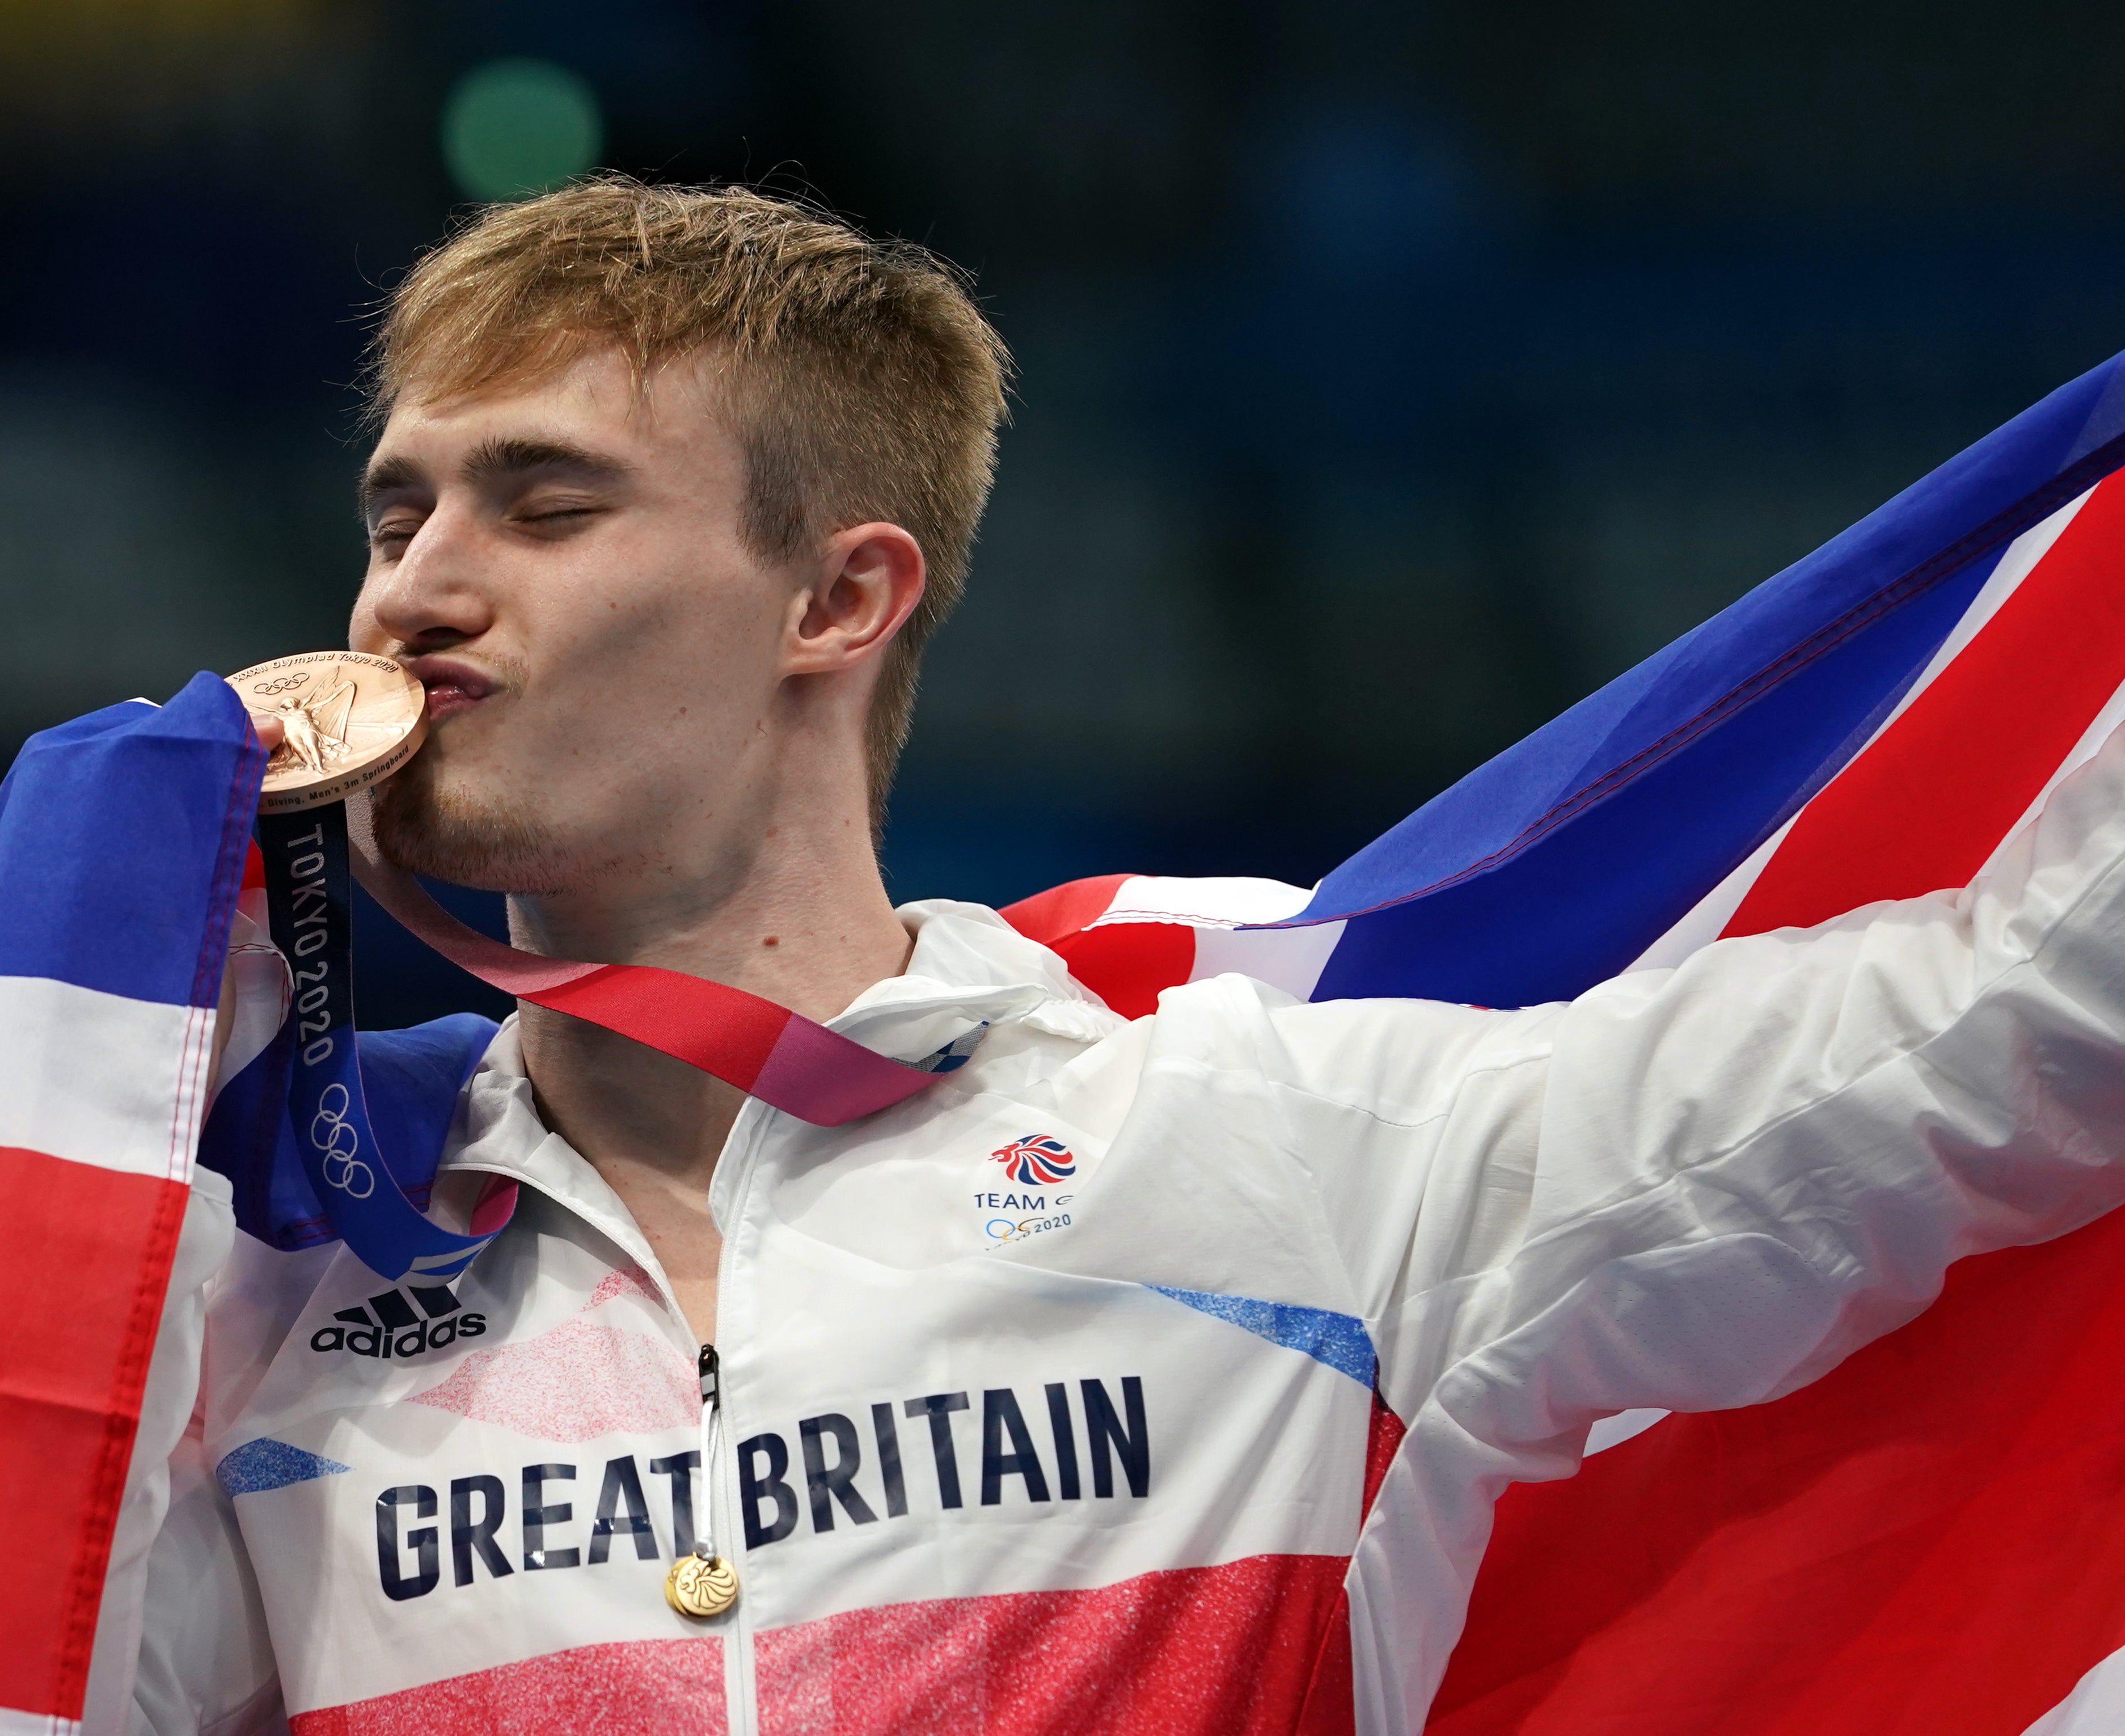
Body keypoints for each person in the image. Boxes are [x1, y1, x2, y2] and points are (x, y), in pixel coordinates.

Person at [134, 178, 2125, 1734]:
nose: (415, 589)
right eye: (395, 513)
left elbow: (2014, 1023)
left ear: (839, 598)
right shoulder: (273, 1260)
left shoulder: (1264, 1150)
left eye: (542, 504)